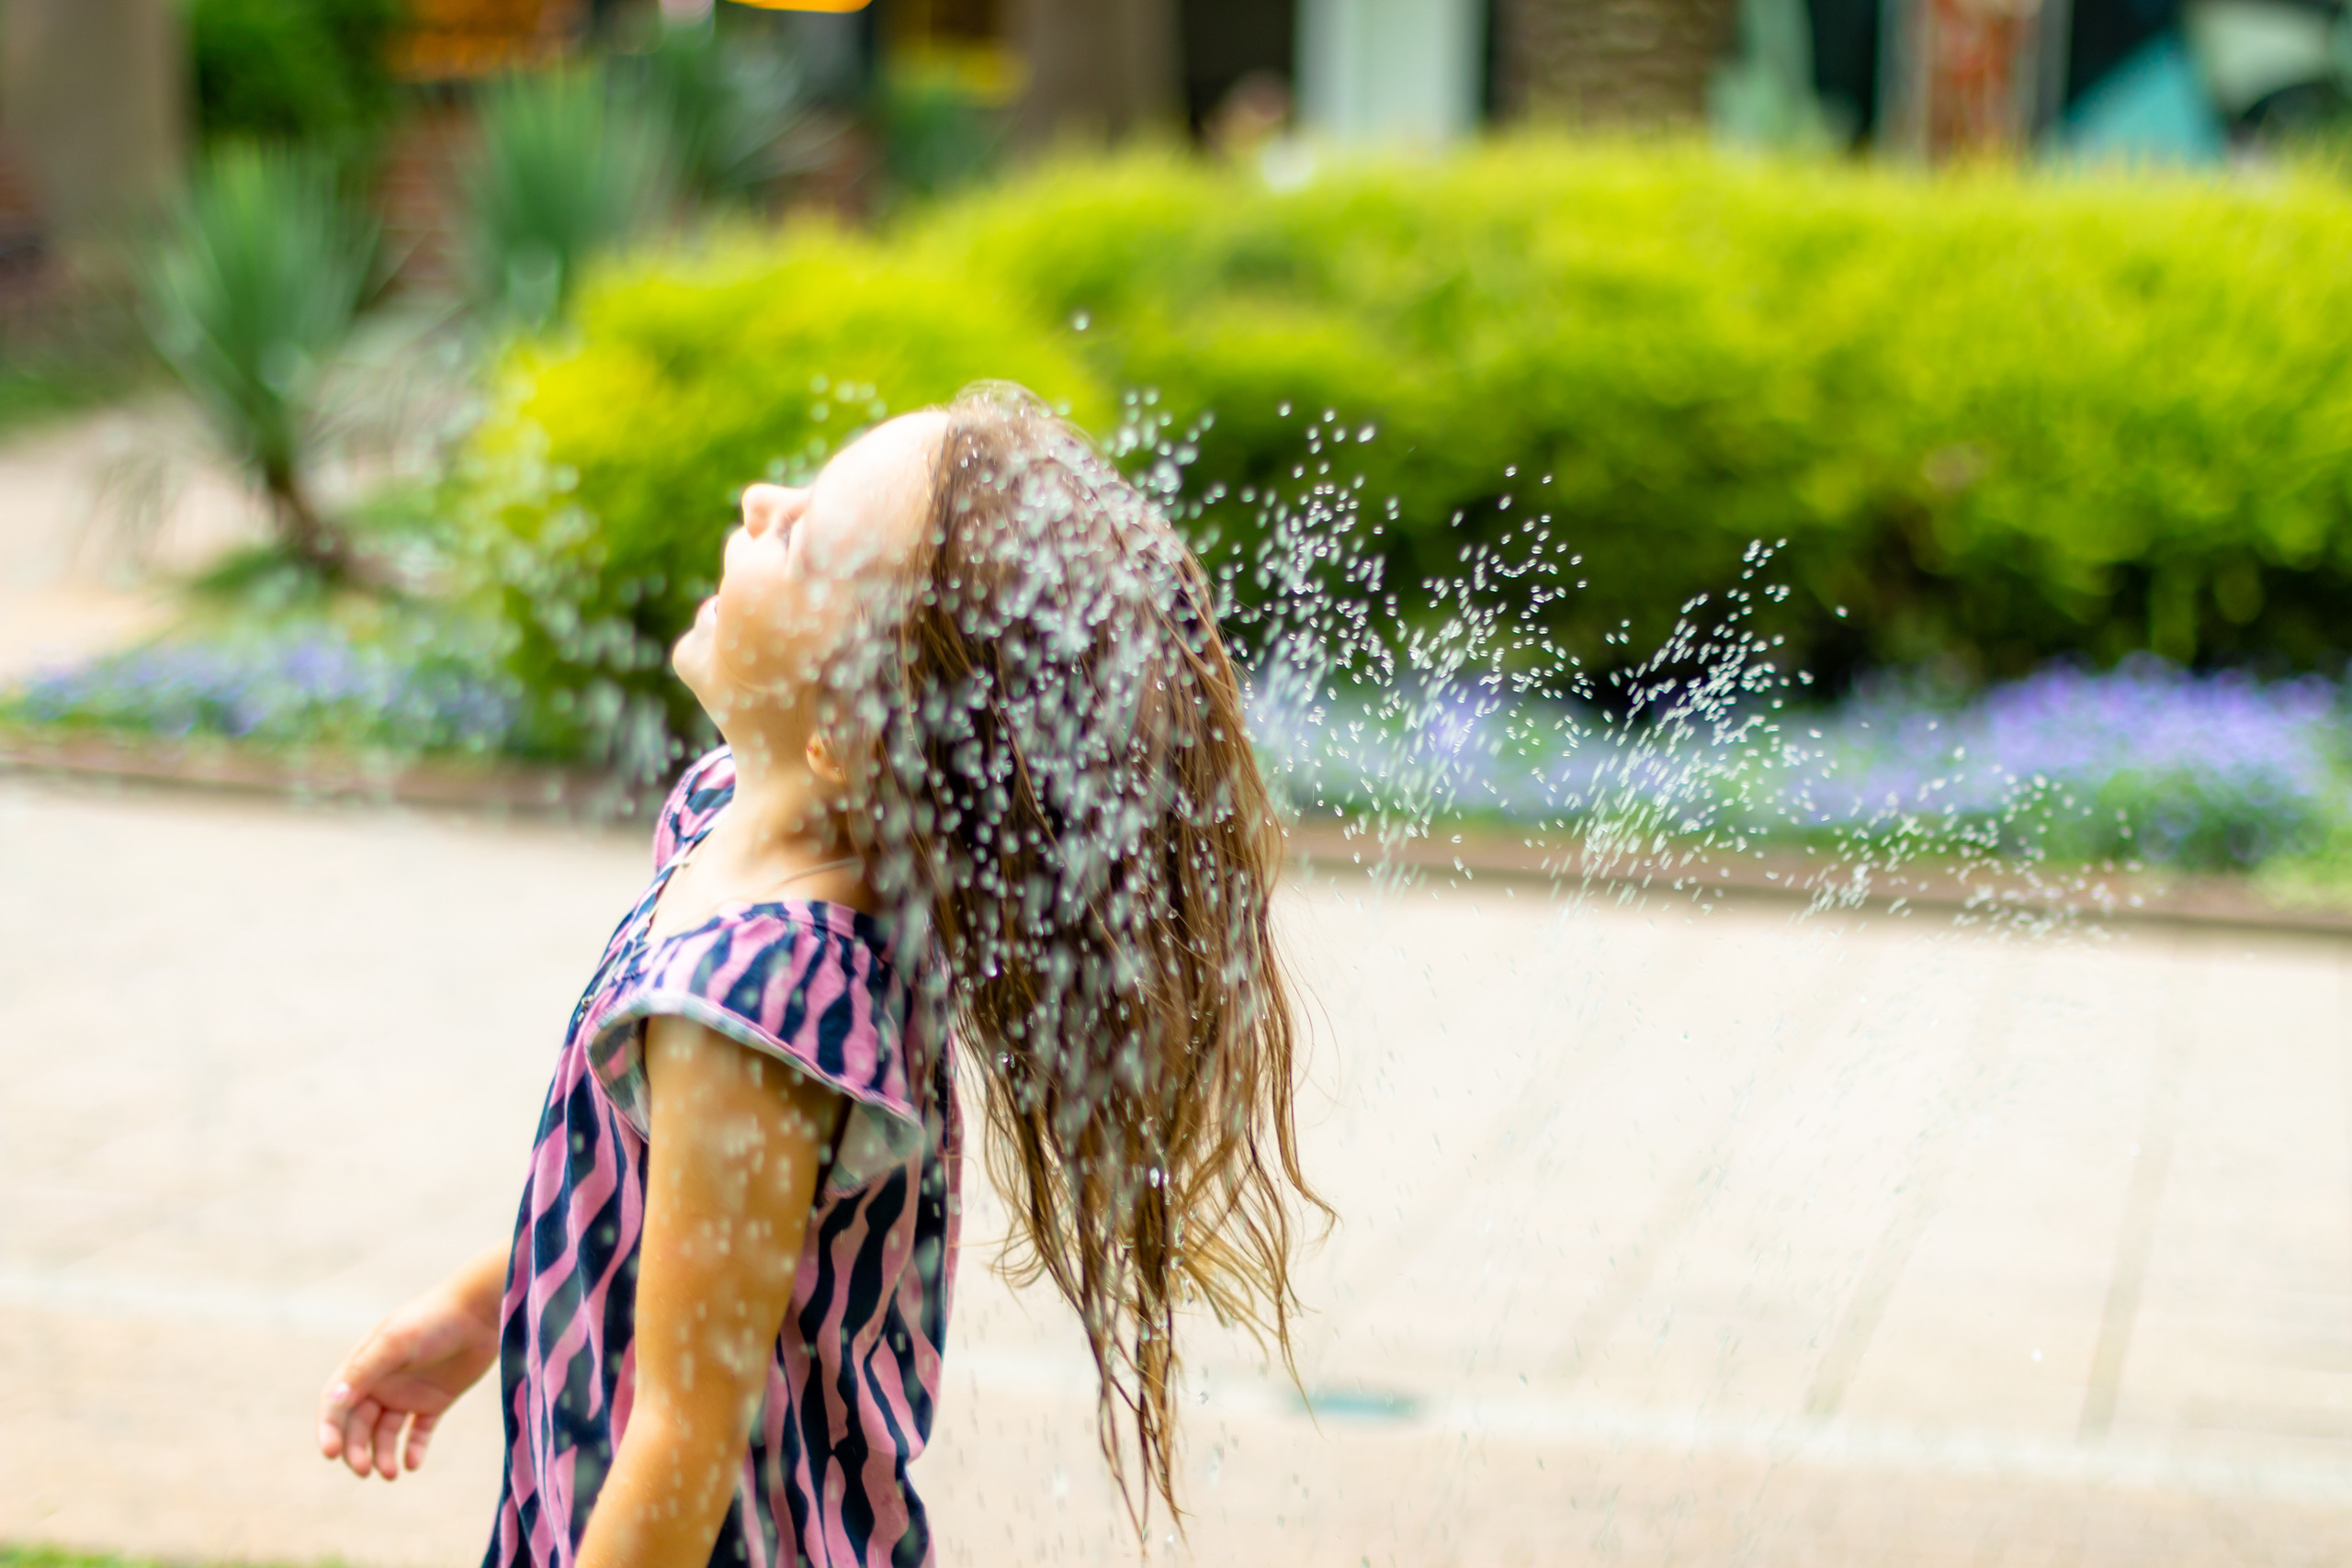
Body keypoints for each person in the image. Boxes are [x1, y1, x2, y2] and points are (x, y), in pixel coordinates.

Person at [314, 385, 1326, 1567]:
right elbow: (676, 1213)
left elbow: (686, 1434)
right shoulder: (723, 828)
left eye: (800, 537)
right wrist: (483, 1308)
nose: (760, 500)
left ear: (851, 730)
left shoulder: (752, 1002)